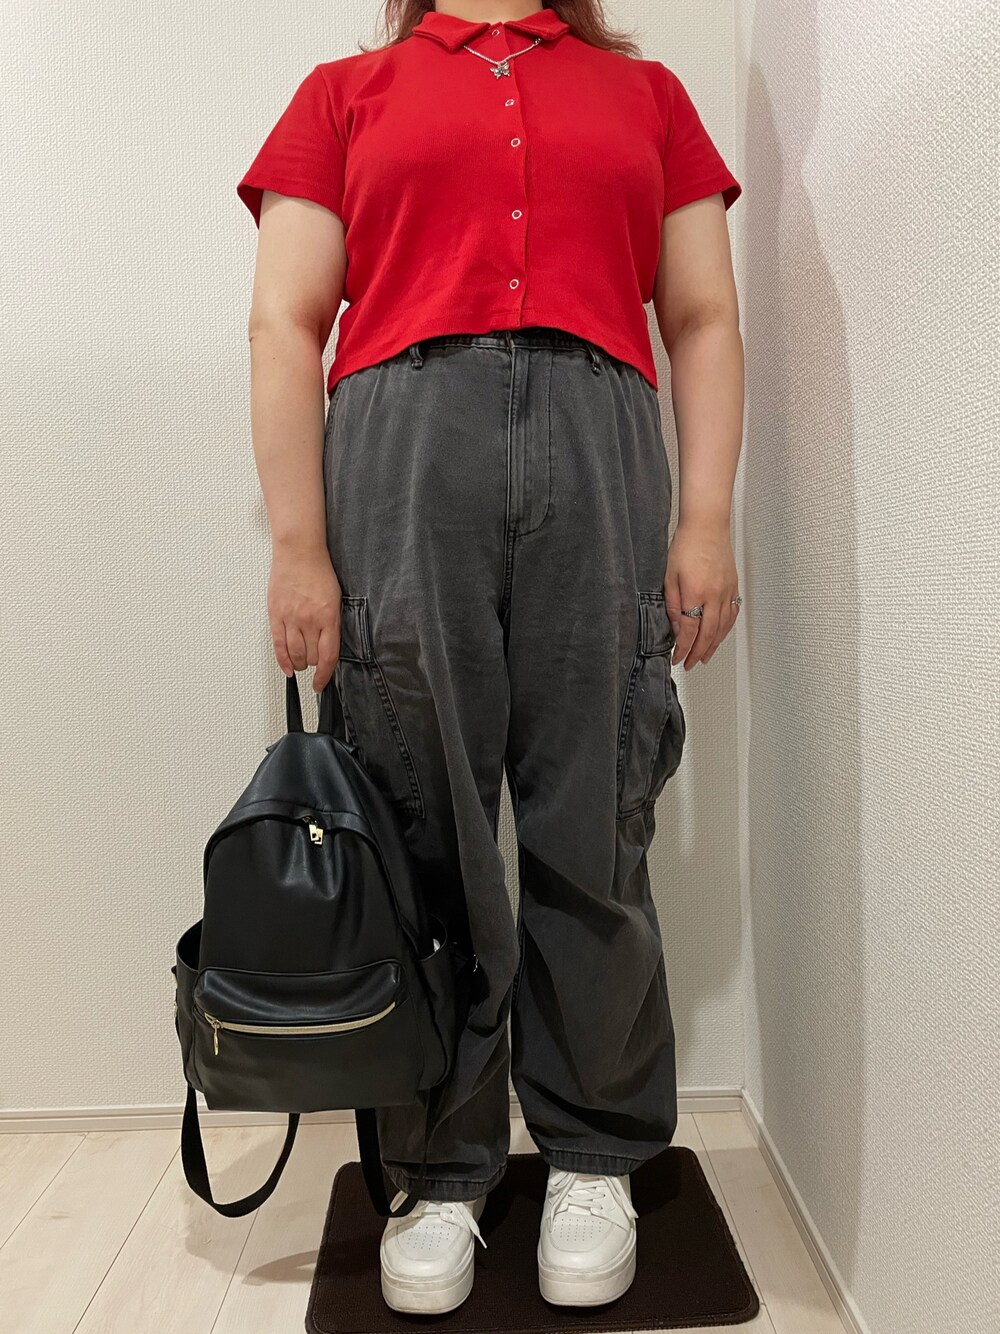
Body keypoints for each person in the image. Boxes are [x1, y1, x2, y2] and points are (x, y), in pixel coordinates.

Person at [236, 0, 744, 1316]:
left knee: (600, 808)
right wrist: (298, 545)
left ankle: (593, 1151)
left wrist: (704, 517)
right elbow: (285, 321)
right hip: (405, 453)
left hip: (602, 445)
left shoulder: (648, 99)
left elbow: (699, 315)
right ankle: (439, 1163)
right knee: (420, 819)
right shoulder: (345, 93)